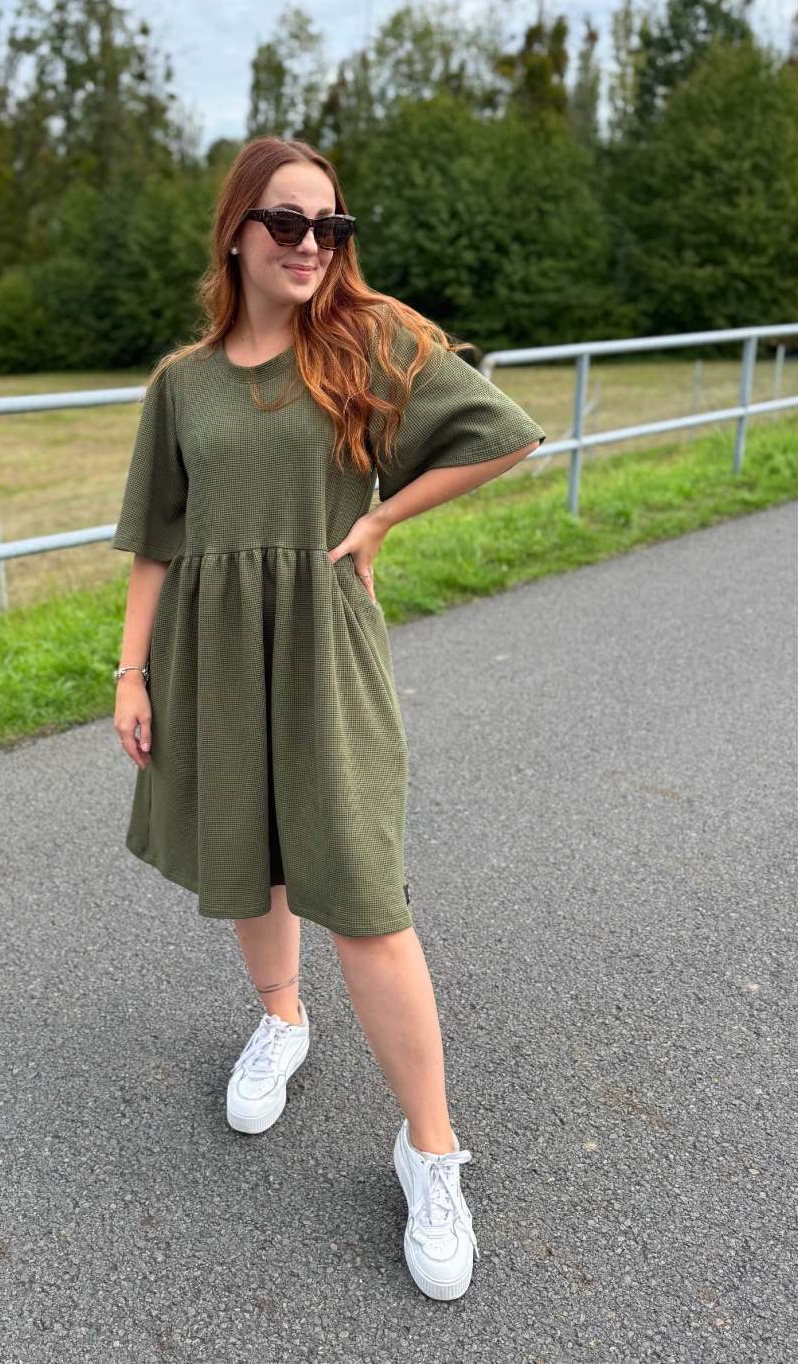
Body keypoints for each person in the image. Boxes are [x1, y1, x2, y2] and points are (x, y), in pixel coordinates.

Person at [112, 136, 545, 1301]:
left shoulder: (365, 340)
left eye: (330, 226)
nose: (312, 244)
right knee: (246, 859)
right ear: (236, 234)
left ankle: (429, 1149)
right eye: (287, 223)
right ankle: (281, 1022)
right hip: (207, 654)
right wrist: (130, 673)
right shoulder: (182, 384)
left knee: (361, 892)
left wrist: (385, 517)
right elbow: (155, 538)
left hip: (323, 646)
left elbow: (504, 434)